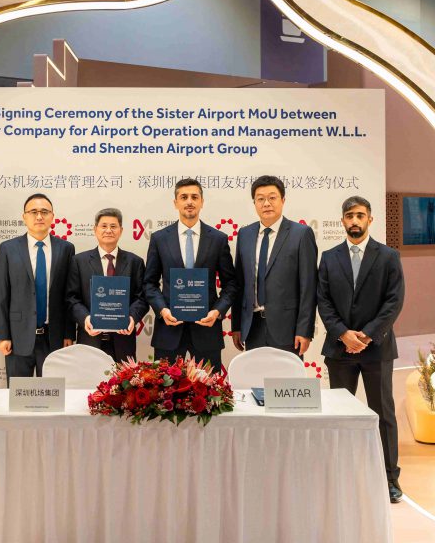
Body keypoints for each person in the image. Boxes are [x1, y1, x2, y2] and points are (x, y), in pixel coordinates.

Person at [317, 195, 405, 503]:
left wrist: (366, 335)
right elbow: (323, 301)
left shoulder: (388, 256)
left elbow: (394, 301)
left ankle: (389, 478)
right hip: (339, 349)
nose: (354, 221)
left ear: (370, 219)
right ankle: (339, 474)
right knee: (340, 414)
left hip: (376, 348)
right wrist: (343, 334)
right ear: (342, 221)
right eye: (349, 216)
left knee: (383, 413)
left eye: (360, 215)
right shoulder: (329, 257)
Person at [143, 178, 236, 371]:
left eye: (194, 197)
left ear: (202, 202)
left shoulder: (218, 239)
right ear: (175, 202)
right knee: (164, 389)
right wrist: (162, 310)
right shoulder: (159, 238)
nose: (189, 202)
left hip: (207, 330)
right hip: (168, 330)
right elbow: (149, 283)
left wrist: (217, 312)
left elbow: (231, 284)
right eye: (184, 197)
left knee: (210, 388)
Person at [230, 175, 317, 355]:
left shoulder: (301, 234)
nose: (266, 203)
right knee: (255, 373)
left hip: (288, 329)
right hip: (252, 327)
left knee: (286, 374)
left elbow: (308, 287)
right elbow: (240, 284)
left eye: (272, 197)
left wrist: (304, 330)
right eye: (260, 199)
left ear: (283, 200)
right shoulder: (245, 234)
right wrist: (237, 325)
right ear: (254, 203)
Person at [0, 193, 76, 378]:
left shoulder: (66, 249)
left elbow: (69, 295)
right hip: (17, 336)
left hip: (54, 337)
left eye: (44, 212)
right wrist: (3, 335)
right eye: (33, 212)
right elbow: (1, 294)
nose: (39, 216)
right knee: (18, 393)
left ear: (52, 216)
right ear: (24, 217)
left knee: (52, 393)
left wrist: (69, 333)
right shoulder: (8, 248)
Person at [66, 208, 147, 362]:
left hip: (123, 341)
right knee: (89, 378)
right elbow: (71, 298)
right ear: (95, 229)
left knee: (123, 378)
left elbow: (142, 298)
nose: (108, 230)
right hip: (90, 339)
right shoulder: (79, 261)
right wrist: (85, 318)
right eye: (104, 226)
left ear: (121, 230)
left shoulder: (135, 262)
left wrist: (131, 317)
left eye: (113, 226)